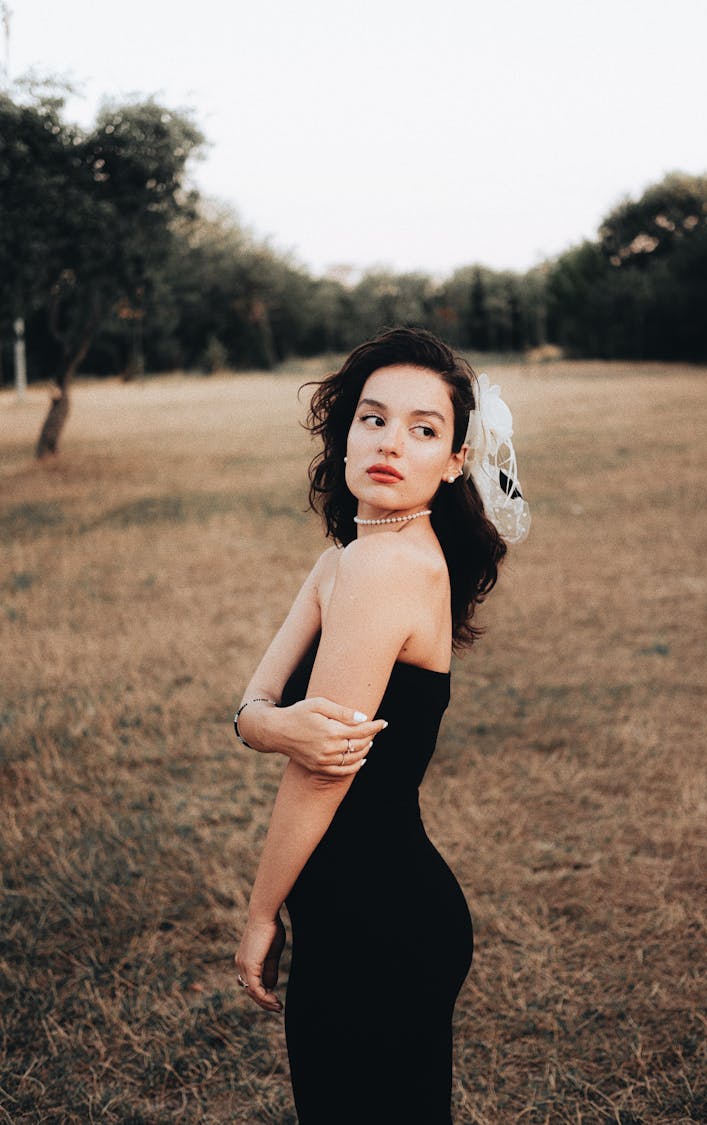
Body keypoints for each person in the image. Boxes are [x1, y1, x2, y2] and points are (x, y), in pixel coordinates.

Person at [233, 326, 530, 1124]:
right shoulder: (344, 557)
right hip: (361, 912)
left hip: (379, 922)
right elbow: (253, 704)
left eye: (423, 429)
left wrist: (262, 912)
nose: (392, 442)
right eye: (373, 418)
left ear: (455, 459)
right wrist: (269, 725)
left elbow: (324, 770)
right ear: (345, 433)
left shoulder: (384, 566)